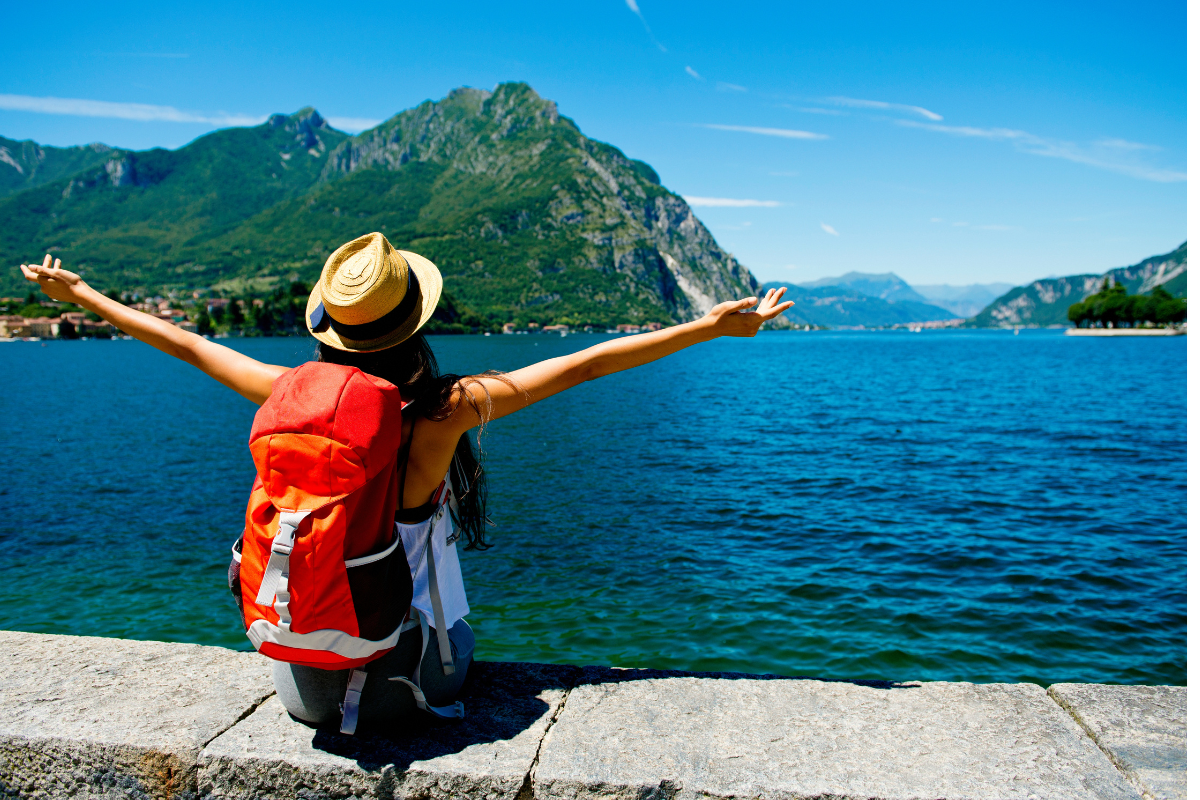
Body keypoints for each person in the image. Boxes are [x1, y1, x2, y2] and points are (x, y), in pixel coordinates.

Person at [19, 232, 794, 728]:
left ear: (334, 325)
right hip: (415, 680)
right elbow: (586, 364)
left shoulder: (285, 390)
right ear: (412, 323)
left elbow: (186, 345)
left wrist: (81, 295)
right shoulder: (441, 410)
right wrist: (710, 327)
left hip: (302, 681)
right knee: (458, 628)